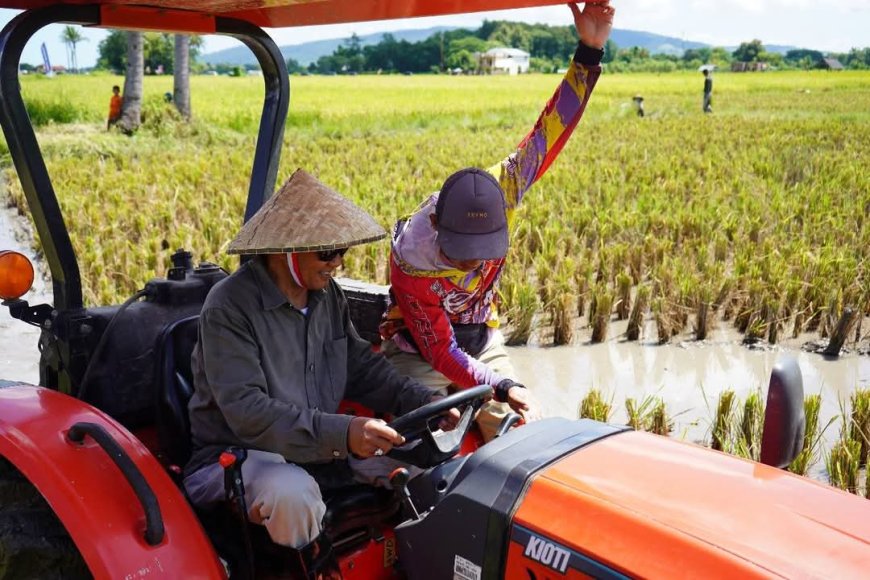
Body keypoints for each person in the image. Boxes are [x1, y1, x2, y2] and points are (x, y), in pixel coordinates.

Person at [183, 169, 456, 577]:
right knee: (292, 497)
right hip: (240, 456)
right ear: (284, 251)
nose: (338, 262)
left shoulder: (327, 296)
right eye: (328, 252)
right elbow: (247, 412)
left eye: (342, 251)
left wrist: (424, 400)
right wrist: (344, 433)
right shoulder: (229, 308)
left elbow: (360, 366)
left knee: (433, 476)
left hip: (320, 451)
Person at [379, 0, 615, 442]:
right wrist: (504, 386)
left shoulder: (503, 187)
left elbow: (551, 131)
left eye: (481, 256)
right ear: (439, 229)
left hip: (481, 338)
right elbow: (442, 351)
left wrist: (588, 52)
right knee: (422, 440)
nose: (471, 266)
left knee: (527, 431)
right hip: (422, 350)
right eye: (460, 257)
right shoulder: (412, 261)